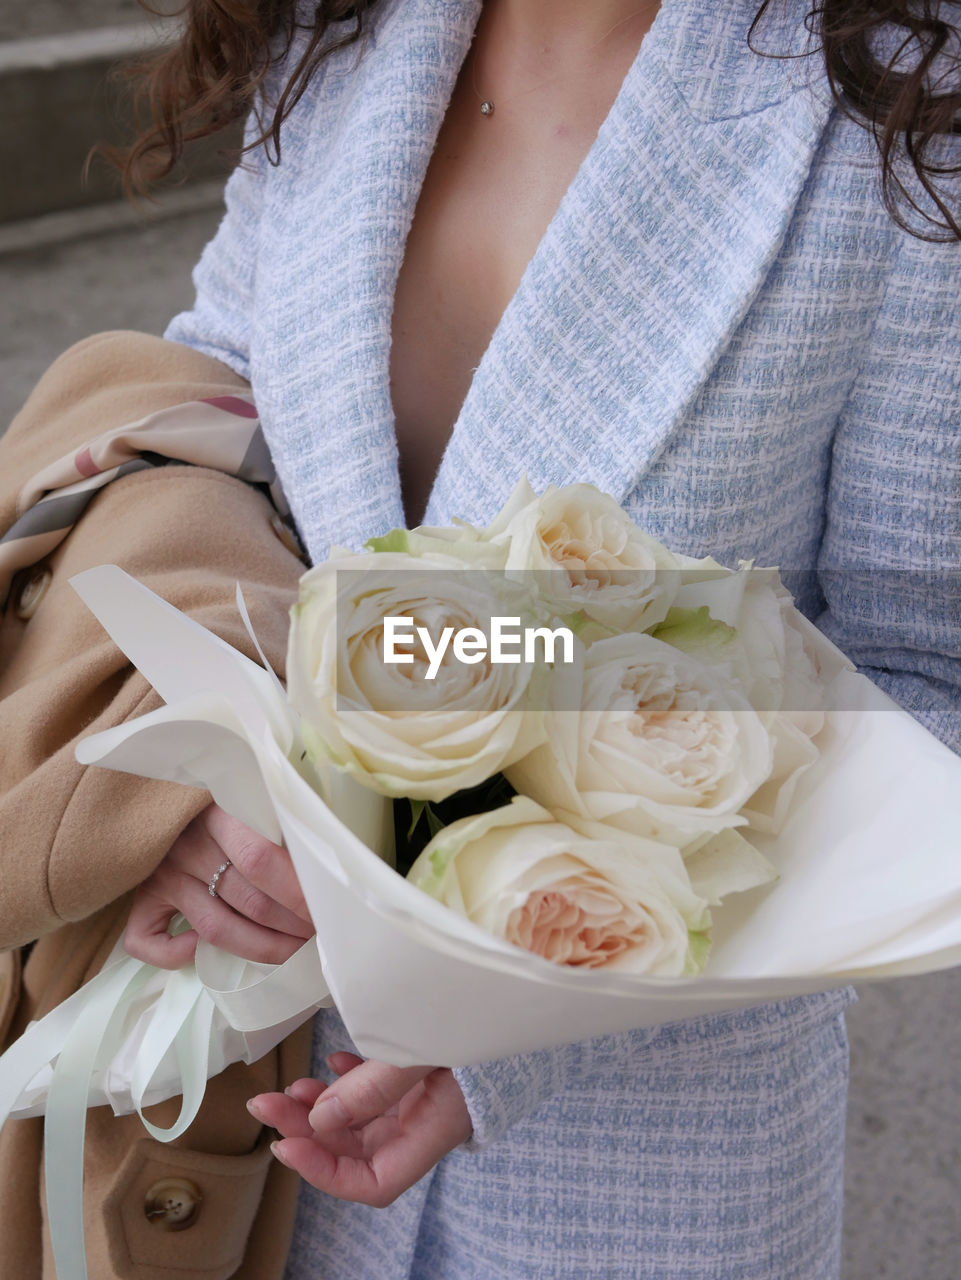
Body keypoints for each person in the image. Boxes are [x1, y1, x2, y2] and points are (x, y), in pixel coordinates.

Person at [2, 0, 959, 1276]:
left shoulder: (909, 118)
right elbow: (222, 395)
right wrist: (195, 784)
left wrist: (520, 994)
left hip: (641, 1172)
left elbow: (926, 675)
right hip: (244, 1108)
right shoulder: (341, 32)